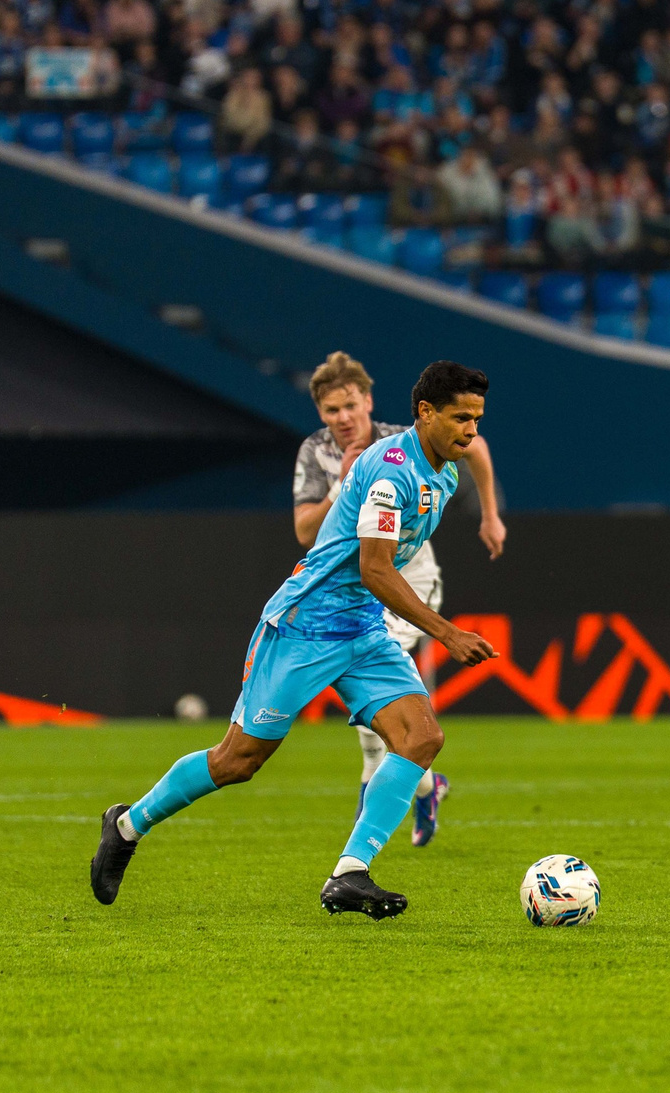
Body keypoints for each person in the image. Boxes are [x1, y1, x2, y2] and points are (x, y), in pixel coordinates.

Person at [93, 362, 500, 921]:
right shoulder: (392, 471)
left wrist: (490, 513)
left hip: (362, 628)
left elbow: (377, 573)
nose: (471, 431)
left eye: (477, 419)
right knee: (238, 760)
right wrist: (447, 632)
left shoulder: (445, 473)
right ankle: (125, 826)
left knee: (421, 737)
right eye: (461, 418)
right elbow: (375, 569)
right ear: (425, 413)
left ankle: (350, 873)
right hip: (304, 626)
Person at [289, 352, 507, 847]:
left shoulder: (406, 437)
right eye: (331, 410)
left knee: (375, 701)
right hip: (353, 589)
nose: (343, 418)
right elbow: (305, 531)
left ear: (368, 401)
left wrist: (489, 515)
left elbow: (476, 447)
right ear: (320, 413)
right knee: (375, 710)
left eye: (350, 405)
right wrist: (341, 484)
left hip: (409, 580)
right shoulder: (315, 452)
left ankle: (362, 842)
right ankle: (427, 787)